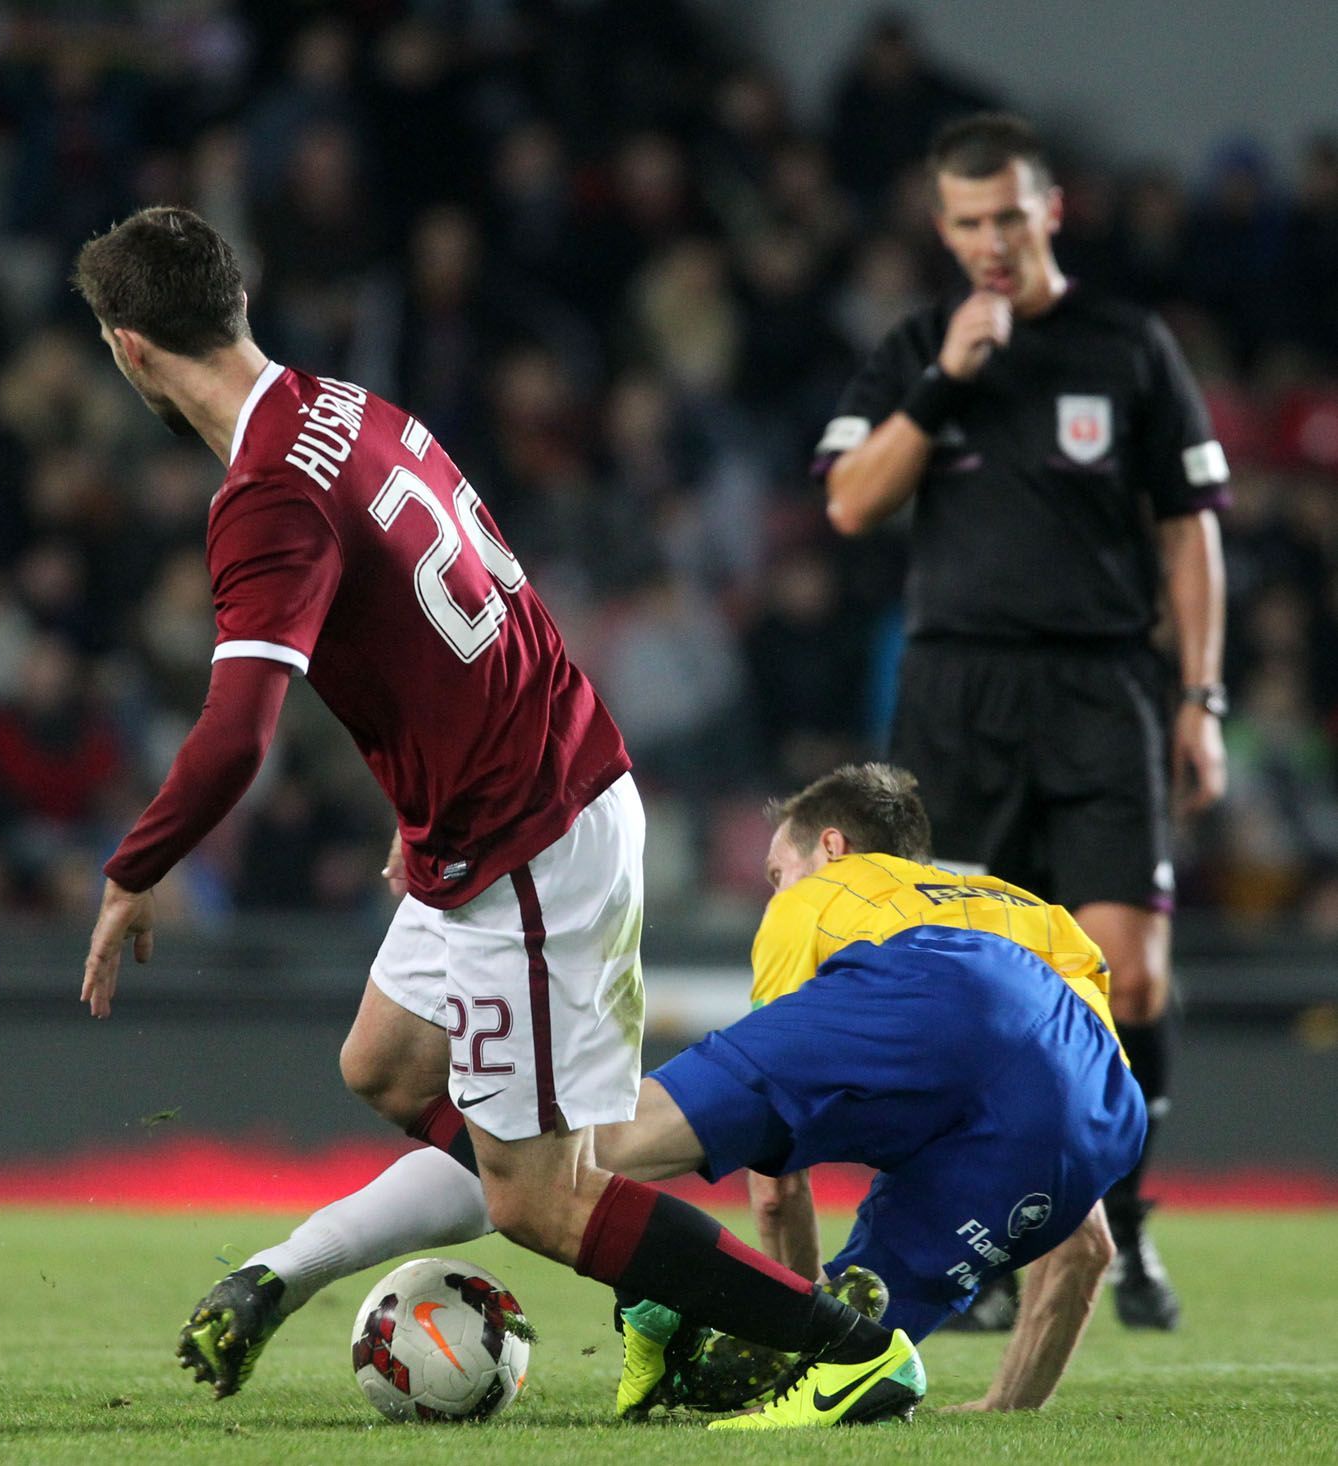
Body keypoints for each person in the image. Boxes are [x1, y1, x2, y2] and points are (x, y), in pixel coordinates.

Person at [70, 206, 914, 1430]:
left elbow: (239, 729)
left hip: (526, 840)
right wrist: (421, 795)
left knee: (539, 1201)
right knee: (387, 1061)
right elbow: (478, 603)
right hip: (514, 799)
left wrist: (136, 865)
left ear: (127, 349)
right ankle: (648, 1262)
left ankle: (847, 1346)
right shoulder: (353, 409)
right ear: (236, 306)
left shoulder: (261, 495)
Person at [182, 762, 1141, 1423]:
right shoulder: (1018, 908)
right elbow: (1084, 1248)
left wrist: (771, 1309)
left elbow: (777, 1165)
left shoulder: (833, 897)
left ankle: (296, 1265)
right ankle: (873, 1356)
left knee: (575, 1154)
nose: (776, 894)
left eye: (776, 872)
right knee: (867, 1340)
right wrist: (1004, 1413)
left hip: (933, 1005)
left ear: (832, 846)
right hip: (1086, 1082)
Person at [814, 112, 1229, 1330]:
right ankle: (982, 1248)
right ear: (941, 228)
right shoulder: (915, 349)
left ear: (1051, 210)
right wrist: (948, 378)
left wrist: (1198, 699)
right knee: (965, 984)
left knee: (1130, 978)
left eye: (1009, 215)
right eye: (966, 222)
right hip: (957, 698)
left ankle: (1129, 1226)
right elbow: (847, 502)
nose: (990, 241)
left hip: (1103, 688)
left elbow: (1188, 529)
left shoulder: (1128, 346)